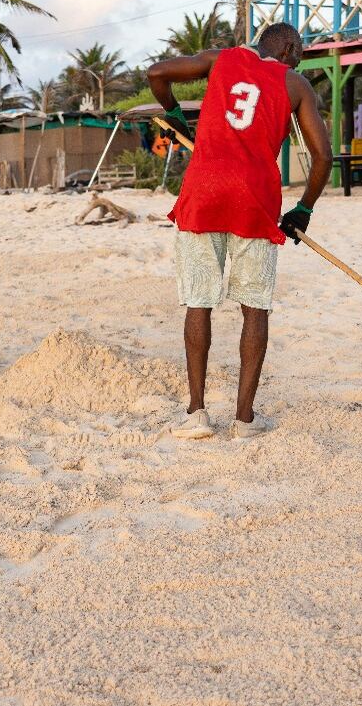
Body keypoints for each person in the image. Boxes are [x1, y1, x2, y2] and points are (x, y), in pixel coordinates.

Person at [147, 22, 331, 440]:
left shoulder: (220, 59)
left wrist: (173, 113)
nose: (301, 57)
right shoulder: (296, 84)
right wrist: (303, 209)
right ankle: (245, 420)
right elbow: (323, 156)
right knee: (255, 307)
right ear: (286, 48)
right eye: (300, 49)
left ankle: (196, 413)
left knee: (199, 303)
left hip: (203, 191)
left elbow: (157, 73)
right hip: (256, 199)